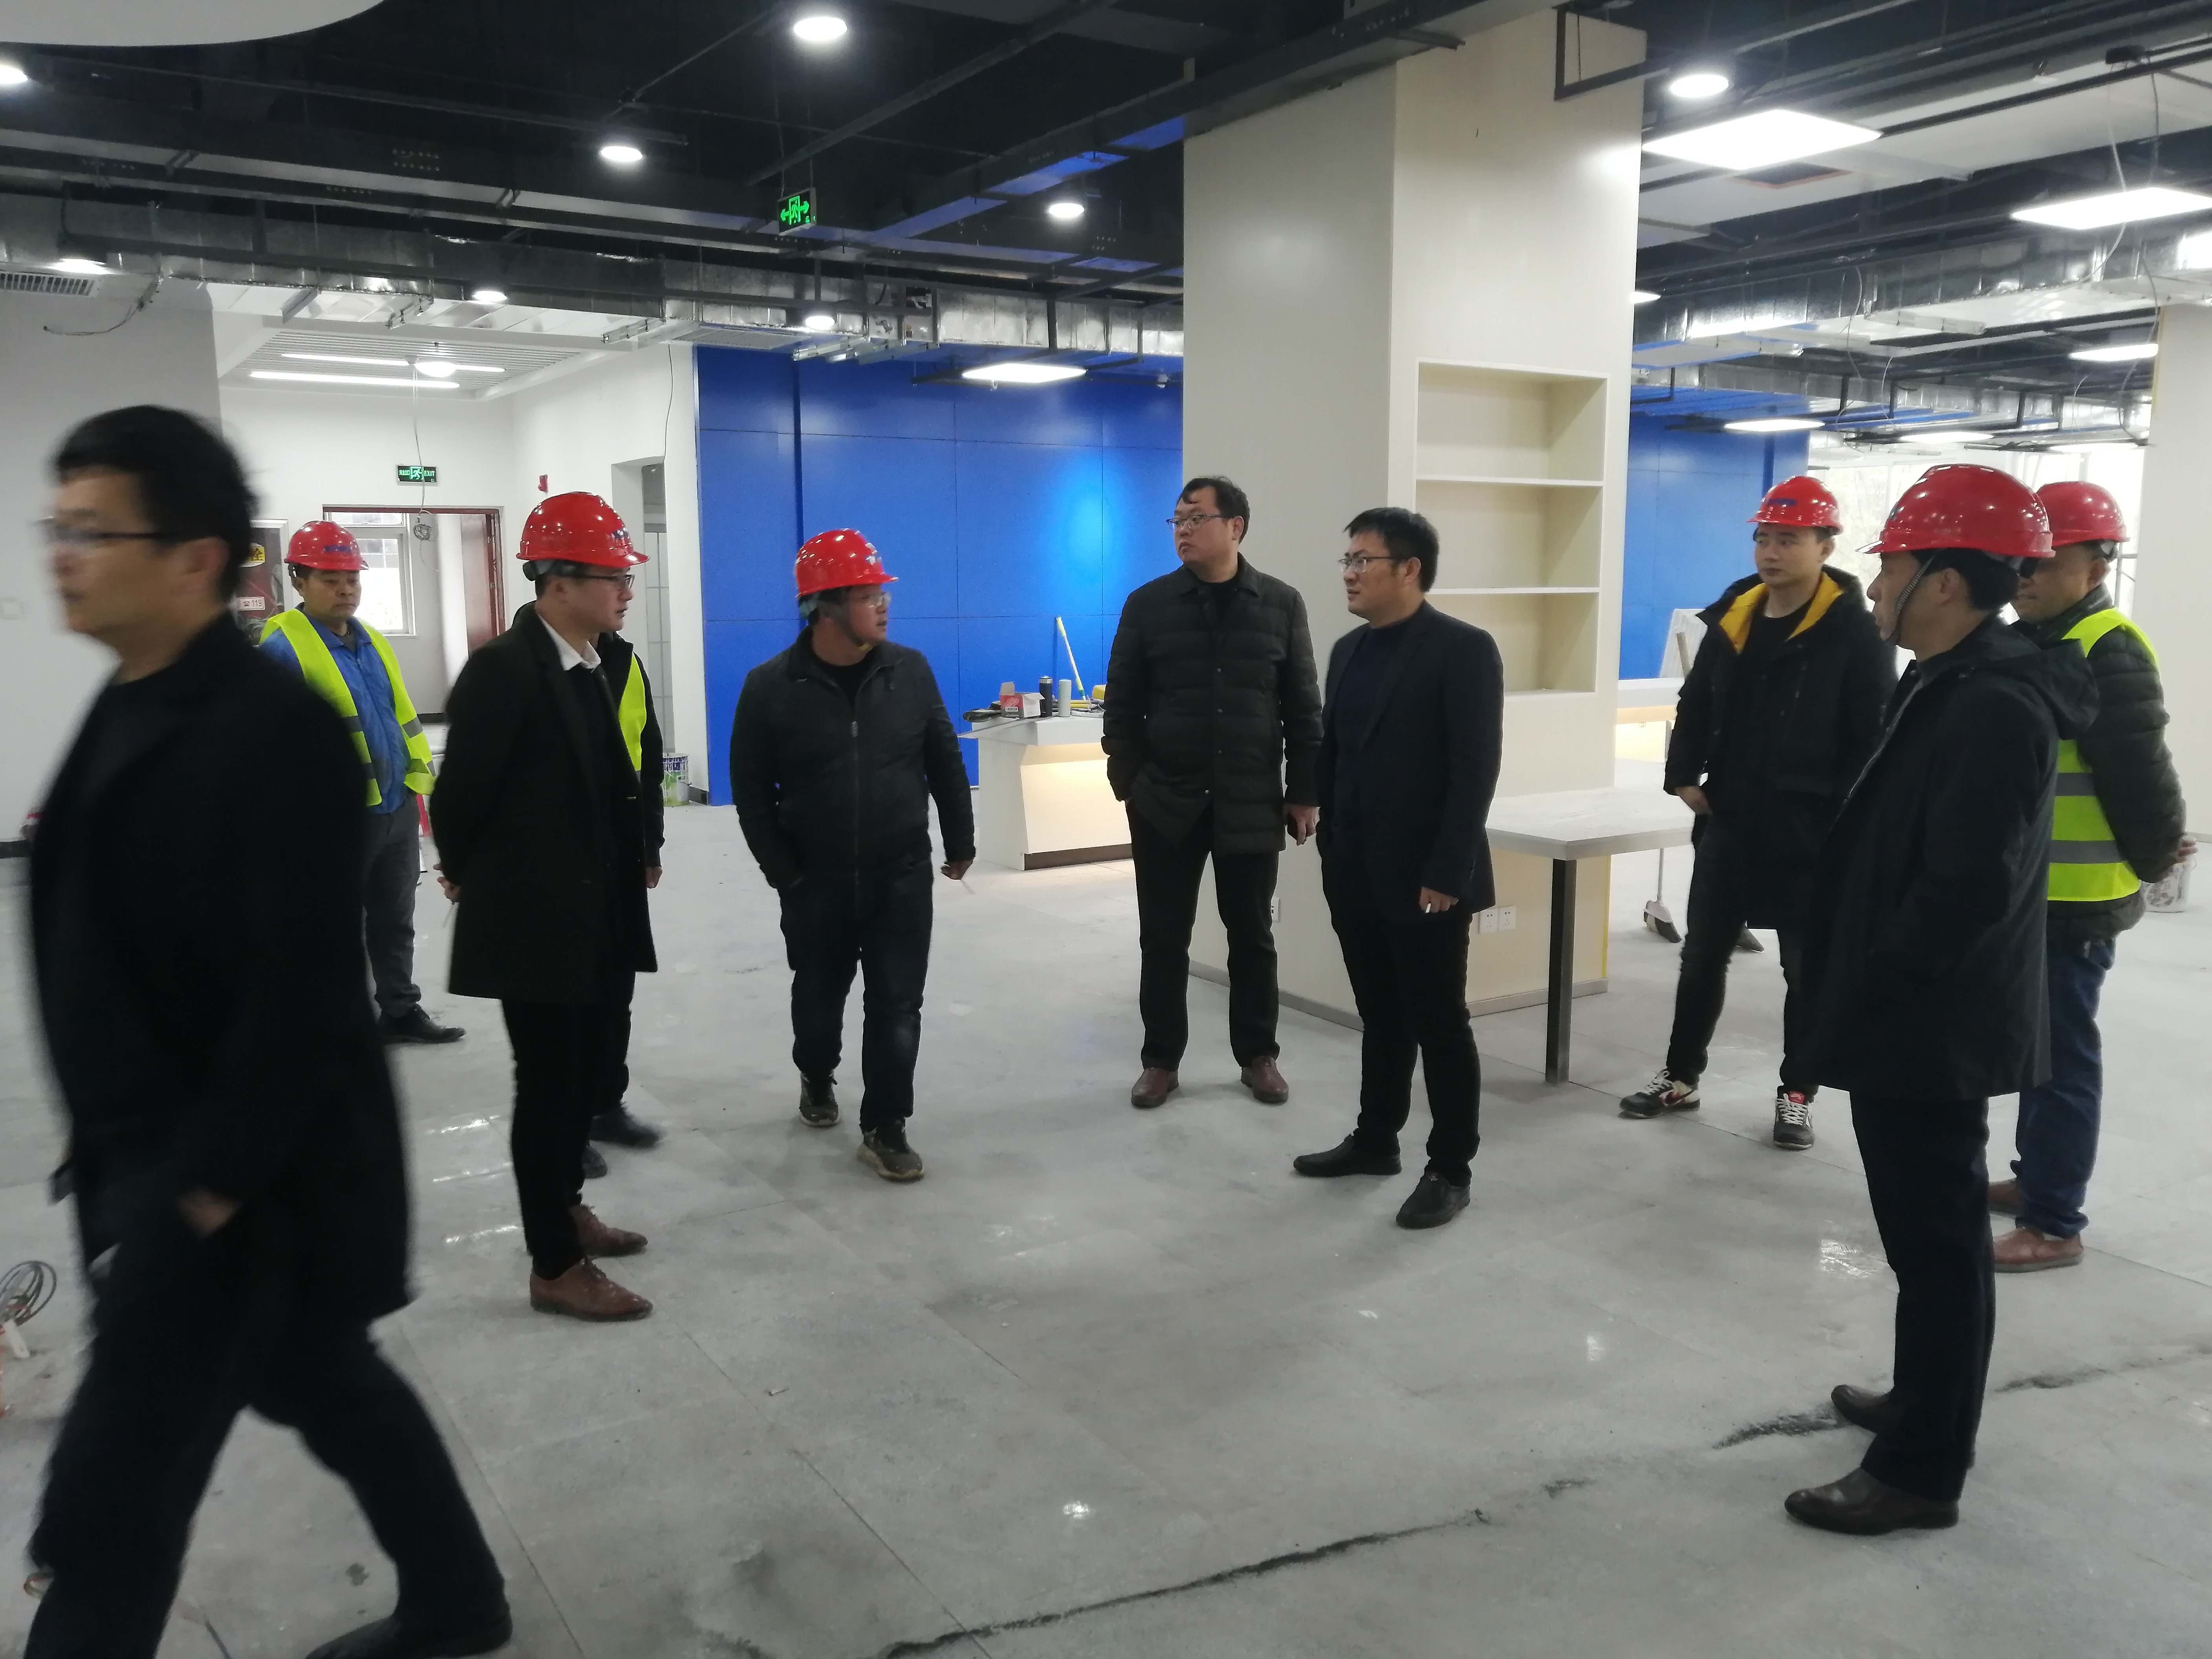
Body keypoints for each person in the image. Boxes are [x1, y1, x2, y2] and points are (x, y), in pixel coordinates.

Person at [26, 405, 507, 1659]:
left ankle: (459, 1602)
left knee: (110, 1518)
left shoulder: (267, 727)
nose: (63, 555)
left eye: (93, 531)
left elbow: (299, 998)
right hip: (164, 1174)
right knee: (332, 1387)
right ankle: (461, 1601)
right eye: (57, 527)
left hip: (222, 1198)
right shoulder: (130, 699)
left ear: (194, 558)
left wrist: (194, 1198)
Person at [1786, 464, 2093, 1535]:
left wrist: (1878, 980)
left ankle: (1920, 1471)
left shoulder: (1995, 703)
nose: (1876, 588)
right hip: (1910, 1008)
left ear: (1947, 584)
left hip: (1929, 1019)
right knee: (1924, 1240)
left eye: (1892, 569)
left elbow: (1966, 885)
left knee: (1942, 1244)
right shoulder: (1946, 679)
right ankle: (1922, 1398)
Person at [432, 491, 660, 1321]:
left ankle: (567, 1205)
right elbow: (458, 799)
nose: (626, 592)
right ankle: (555, 1265)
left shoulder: (592, 662)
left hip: (593, 911)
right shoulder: (504, 671)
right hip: (535, 921)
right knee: (548, 1085)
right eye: (612, 578)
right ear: (558, 583)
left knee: (582, 1076)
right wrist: (474, 875)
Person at [1621, 476, 1893, 1149]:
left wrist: (1845, 813)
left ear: (1826, 546)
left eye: (1788, 540)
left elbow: (1872, 732)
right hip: (1733, 818)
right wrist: (1682, 775)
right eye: (1764, 538)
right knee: (1702, 956)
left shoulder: (1855, 632)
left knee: (1804, 969)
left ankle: (1798, 1093)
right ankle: (1680, 1077)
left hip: (1812, 830)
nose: (1771, 552)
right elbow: (1697, 700)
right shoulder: (1737, 616)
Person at [728, 529, 975, 1181]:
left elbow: (944, 759)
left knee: (898, 1005)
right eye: (868, 595)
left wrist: (961, 839)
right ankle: (816, 1073)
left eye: (882, 593)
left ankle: (886, 1125)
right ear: (826, 608)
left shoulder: (910, 670)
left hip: (902, 875)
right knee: (819, 998)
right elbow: (750, 793)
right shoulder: (770, 686)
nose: (884, 606)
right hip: (816, 881)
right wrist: (785, 874)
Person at [1991, 482, 2187, 1270]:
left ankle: (2054, 1221)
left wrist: (2155, 857)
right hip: (2027, 894)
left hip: (2076, 899)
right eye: (2019, 560)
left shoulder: (2106, 646)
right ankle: (2035, 1177)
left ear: (2096, 566)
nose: (2025, 575)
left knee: (2062, 1059)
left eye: (2044, 560)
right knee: (2032, 1051)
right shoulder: (2035, 640)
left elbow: (2141, 774)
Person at [1290, 509, 1503, 1229]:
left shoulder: (1464, 650)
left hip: (1427, 879)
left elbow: (1474, 771)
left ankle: (1450, 1168)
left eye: (1363, 561)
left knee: (1439, 1022)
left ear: (1409, 569)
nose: (1349, 574)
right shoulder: (1349, 650)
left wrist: (1447, 871)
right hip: (1354, 868)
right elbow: (1334, 751)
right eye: (1347, 561)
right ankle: (1376, 1139)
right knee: (1381, 1014)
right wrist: (1323, 826)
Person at [1103, 476, 1324, 1111]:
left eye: (1196, 518)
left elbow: (1303, 709)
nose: (1182, 530)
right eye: (1176, 519)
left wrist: (1304, 792)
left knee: (1252, 937)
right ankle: (1160, 1061)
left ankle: (1259, 1056)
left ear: (1236, 527)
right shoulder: (1148, 605)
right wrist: (1130, 785)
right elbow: (1123, 706)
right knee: (1163, 938)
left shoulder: (1281, 604)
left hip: (1250, 800)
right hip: (1164, 802)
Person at [260, 520, 463, 1046]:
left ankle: (399, 1010)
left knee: (395, 917)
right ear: (299, 581)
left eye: (352, 578)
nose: (346, 590)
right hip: (333, 819)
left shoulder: (371, 640)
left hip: (394, 804)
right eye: (331, 579)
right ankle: (331, 1025)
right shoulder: (281, 650)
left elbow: (396, 717)